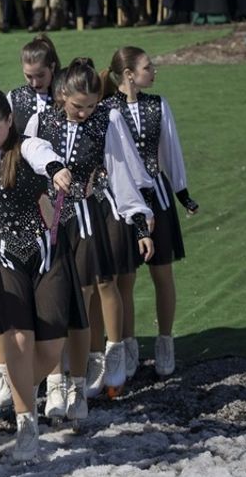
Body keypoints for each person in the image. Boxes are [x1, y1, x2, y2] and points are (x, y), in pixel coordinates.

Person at [24, 60, 153, 415]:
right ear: (62, 94)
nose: (83, 113)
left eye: (91, 106)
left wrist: (139, 221)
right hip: (49, 219)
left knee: (91, 289)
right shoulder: (41, 120)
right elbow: (27, 164)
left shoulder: (106, 121)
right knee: (51, 297)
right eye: (77, 106)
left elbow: (123, 170)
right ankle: (55, 380)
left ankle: (99, 360)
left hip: (86, 215)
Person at [0, 90, 78, 460]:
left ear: (9, 120)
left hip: (46, 255)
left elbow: (44, 157)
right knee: (15, 340)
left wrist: (57, 169)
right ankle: (26, 421)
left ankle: (19, 389)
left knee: (48, 348)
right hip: (2, 256)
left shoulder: (30, 146)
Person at [100, 47, 197, 380]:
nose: (153, 71)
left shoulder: (158, 105)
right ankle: (126, 345)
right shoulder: (106, 109)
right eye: (147, 66)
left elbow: (170, 150)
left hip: (157, 195)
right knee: (124, 277)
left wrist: (182, 192)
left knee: (162, 274)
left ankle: (165, 342)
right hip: (122, 199)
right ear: (128, 74)